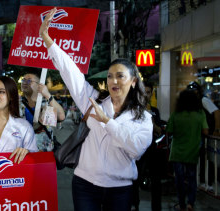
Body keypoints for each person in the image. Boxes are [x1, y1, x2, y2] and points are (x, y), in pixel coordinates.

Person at [39, 8, 153, 210]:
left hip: (120, 189)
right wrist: (47, 39)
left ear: (133, 81)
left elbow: (136, 150)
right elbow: (70, 71)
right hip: (84, 184)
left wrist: (107, 122)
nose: (113, 81)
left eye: (120, 76)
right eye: (110, 76)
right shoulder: (93, 101)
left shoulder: (143, 118)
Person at [166, 89, 208, 211]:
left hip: (177, 152)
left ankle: (182, 205)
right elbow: (205, 131)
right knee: (192, 178)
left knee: (179, 180)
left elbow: (169, 131)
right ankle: (190, 203)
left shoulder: (176, 114)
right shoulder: (200, 114)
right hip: (192, 151)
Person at [132, 82, 165, 211]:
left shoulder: (155, 111)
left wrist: (152, 123)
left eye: (148, 92)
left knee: (156, 181)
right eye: (143, 91)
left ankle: (156, 208)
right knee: (135, 179)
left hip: (153, 150)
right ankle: (134, 205)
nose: (146, 94)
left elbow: (159, 131)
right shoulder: (133, 109)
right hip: (138, 151)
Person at [20, 72, 65, 151]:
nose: (24, 83)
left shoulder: (45, 104)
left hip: (44, 153)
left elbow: (61, 117)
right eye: (23, 80)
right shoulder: (18, 104)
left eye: (29, 81)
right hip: (23, 153)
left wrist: (47, 95)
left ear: (39, 85)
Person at [187, 81, 219, 192]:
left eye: (194, 91)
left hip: (206, 136)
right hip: (198, 136)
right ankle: (201, 182)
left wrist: (216, 130)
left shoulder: (204, 100)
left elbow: (217, 113)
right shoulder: (192, 103)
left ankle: (208, 183)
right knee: (201, 159)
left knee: (208, 159)